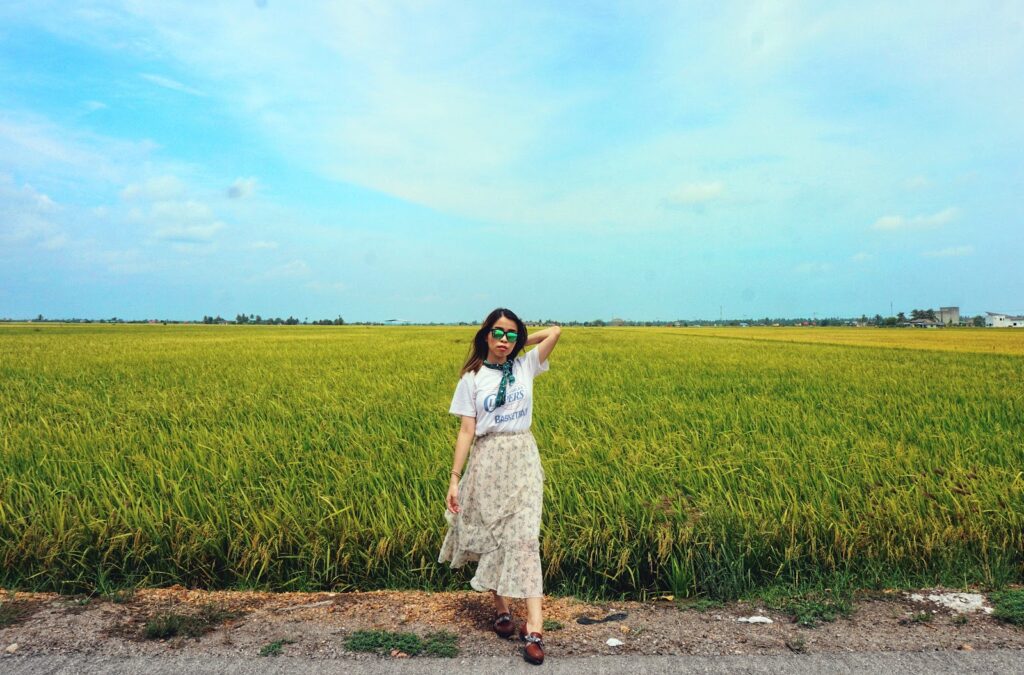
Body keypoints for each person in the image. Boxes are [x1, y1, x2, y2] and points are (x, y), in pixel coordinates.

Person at [438, 307, 561, 665]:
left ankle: (535, 629)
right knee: (494, 536)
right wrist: (455, 479)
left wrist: (523, 342)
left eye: (511, 334)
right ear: (485, 335)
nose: (504, 340)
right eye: (498, 333)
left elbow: (555, 332)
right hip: (487, 459)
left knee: (524, 539)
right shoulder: (471, 379)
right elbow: (465, 431)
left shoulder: (526, 365)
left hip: (522, 457)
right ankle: (502, 608)